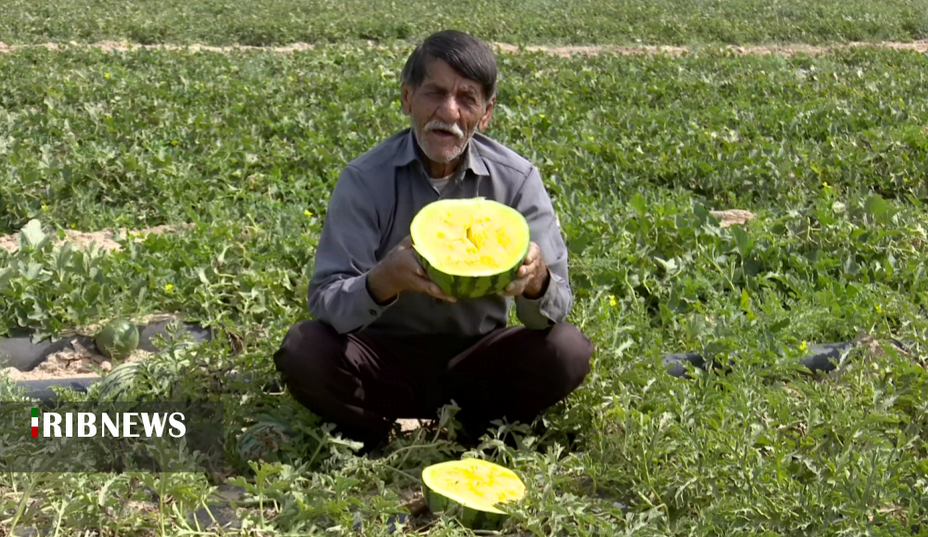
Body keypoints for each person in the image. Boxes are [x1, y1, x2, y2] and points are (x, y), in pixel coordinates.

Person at [273, 29, 594, 454]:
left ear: (486, 113)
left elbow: (556, 306)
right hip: (381, 356)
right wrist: (382, 281)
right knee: (304, 349)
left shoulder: (516, 181)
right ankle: (373, 430)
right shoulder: (365, 180)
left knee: (567, 349)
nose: (449, 111)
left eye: (467, 98)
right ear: (408, 98)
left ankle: (477, 428)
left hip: (478, 358)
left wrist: (537, 282)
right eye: (434, 93)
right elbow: (327, 299)